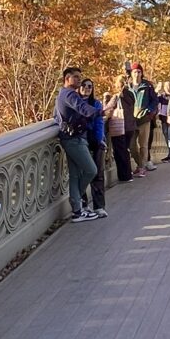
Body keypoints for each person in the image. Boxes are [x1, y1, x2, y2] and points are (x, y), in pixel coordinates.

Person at [54, 67, 103, 222]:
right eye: (75, 77)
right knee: (91, 170)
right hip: (73, 139)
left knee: (75, 175)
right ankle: (76, 200)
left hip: (73, 138)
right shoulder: (68, 94)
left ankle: (77, 211)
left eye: (79, 77)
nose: (79, 80)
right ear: (67, 78)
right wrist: (101, 111)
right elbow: (83, 108)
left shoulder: (63, 95)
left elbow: (56, 116)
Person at [79, 78, 113, 217]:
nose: (87, 88)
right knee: (82, 174)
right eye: (84, 85)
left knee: (98, 174)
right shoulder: (76, 103)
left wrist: (100, 139)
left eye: (90, 86)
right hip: (81, 142)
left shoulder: (96, 103)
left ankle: (99, 206)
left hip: (95, 141)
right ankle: (83, 204)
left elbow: (99, 122)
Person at [129, 64, 158, 177]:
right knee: (131, 146)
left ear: (141, 73)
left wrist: (149, 111)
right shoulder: (128, 87)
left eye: (139, 72)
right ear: (131, 73)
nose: (137, 74)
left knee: (143, 145)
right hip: (131, 119)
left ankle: (142, 167)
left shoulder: (147, 86)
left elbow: (155, 101)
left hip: (144, 118)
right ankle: (139, 164)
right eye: (135, 72)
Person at [105, 76, 134, 183]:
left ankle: (124, 175)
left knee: (119, 152)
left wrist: (105, 99)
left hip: (119, 126)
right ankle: (128, 173)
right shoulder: (131, 95)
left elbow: (107, 109)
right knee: (126, 150)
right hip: (130, 126)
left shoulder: (116, 97)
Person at [157, 82, 170, 163]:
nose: (168, 87)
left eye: (169, 85)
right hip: (163, 119)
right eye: (166, 86)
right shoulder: (161, 96)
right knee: (166, 136)